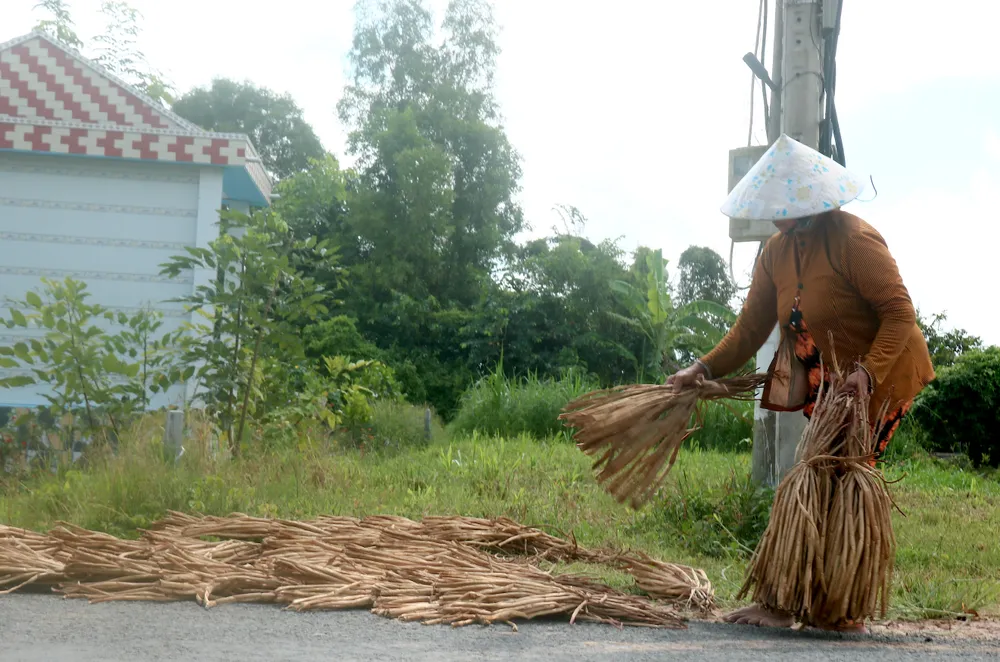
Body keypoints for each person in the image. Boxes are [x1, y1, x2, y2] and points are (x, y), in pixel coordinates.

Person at [667, 134, 935, 632]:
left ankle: (835, 609)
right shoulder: (775, 252)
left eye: (779, 205)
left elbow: (900, 314)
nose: (772, 214)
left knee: (835, 478)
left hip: (880, 376)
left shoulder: (854, 240)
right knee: (812, 477)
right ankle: (799, 602)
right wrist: (700, 369)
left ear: (804, 200)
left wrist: (866, 374)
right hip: (827, 380)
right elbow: (749, 329)